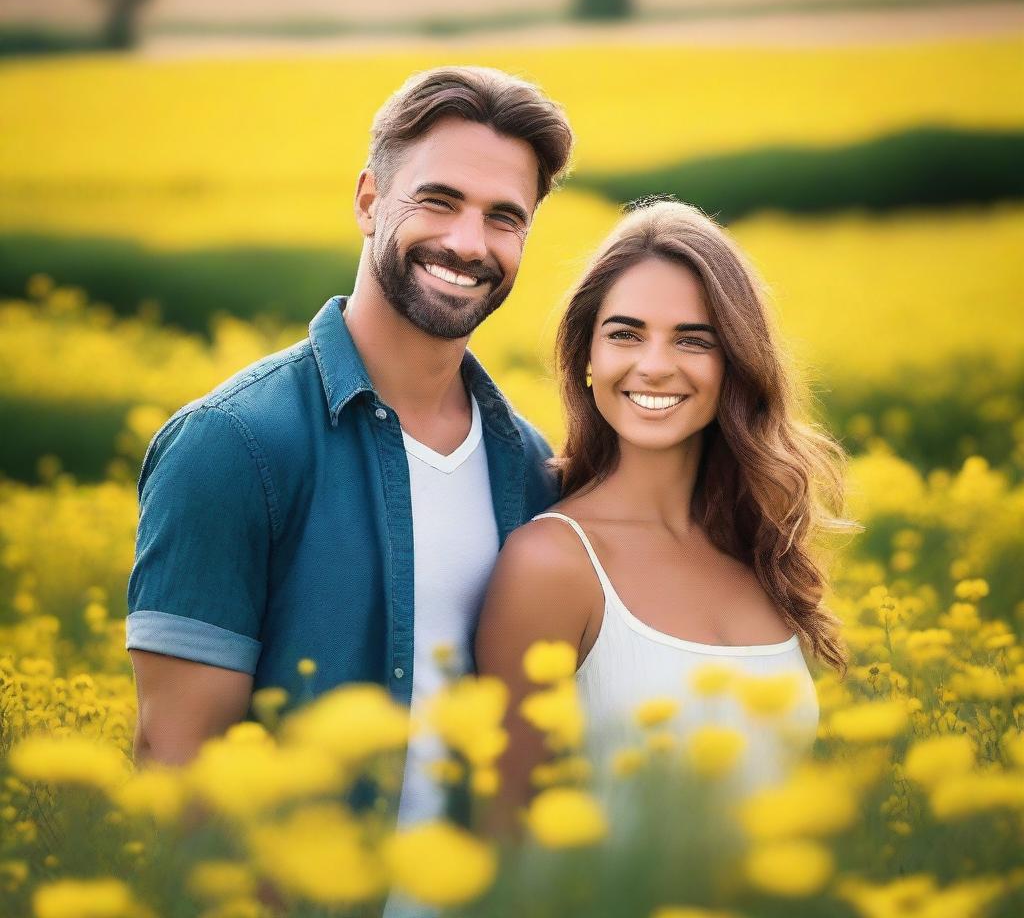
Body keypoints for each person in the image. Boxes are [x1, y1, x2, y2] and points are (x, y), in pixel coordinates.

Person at [125, 66, 573, 854]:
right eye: (439, 200)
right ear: (369, 200)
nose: (468, 243)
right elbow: (174, 767)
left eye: (505, 218)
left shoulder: (530, 468)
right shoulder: (234, 445)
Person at [475, 198, 851, 826]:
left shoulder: (758, 547)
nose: (653, 365)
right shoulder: (550, 565)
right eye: (624, 333)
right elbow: (505, 843)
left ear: (735, 363)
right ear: (586, 358)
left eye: (693, 340)